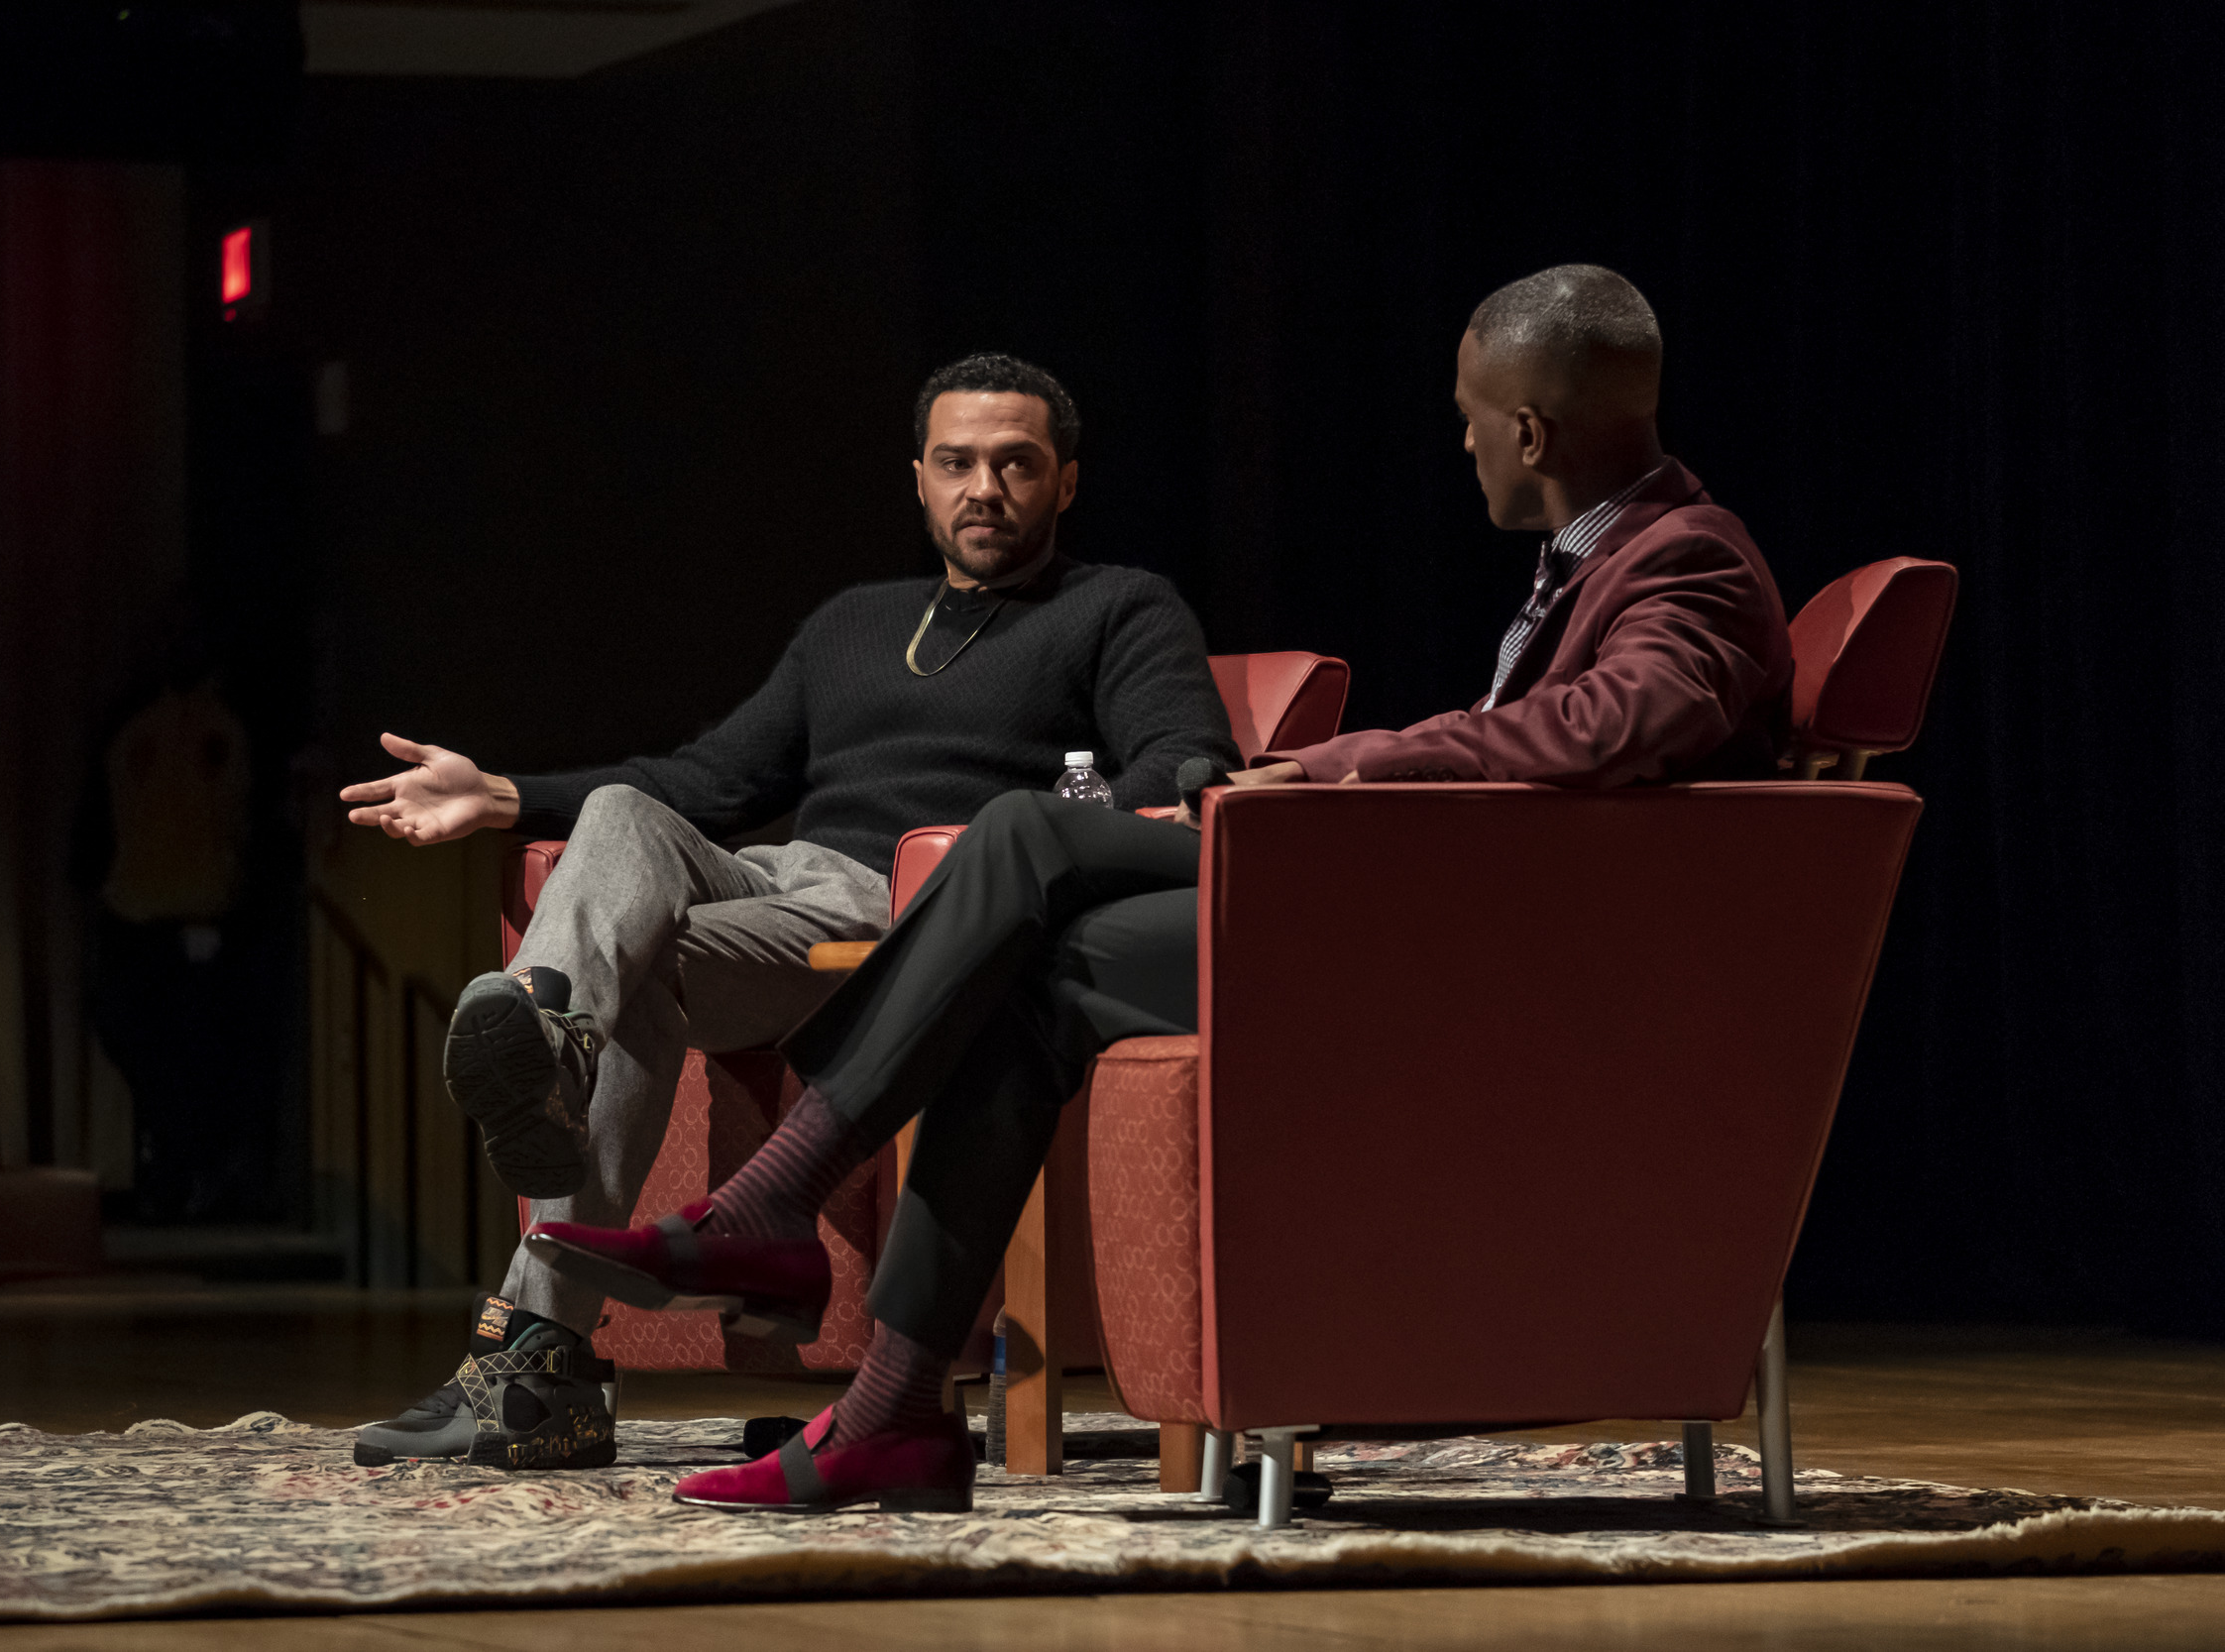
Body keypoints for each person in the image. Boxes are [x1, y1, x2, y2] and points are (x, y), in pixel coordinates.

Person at [525, 264, 1797, 1511]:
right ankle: (891, 1408)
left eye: (1470, 417)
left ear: (1528, 431)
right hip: (1415, 911)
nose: (1461, 442)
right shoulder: (1601, 557)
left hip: (1480, 958)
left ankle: (780, 1213)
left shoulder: (1688, 559)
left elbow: (1613, 722)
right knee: (1017, 949)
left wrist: (1348, 763)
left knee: (1023, 833)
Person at [339, 353, 1240, 1471]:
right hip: (778, 882)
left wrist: (1024, 828)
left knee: (641, 969)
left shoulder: (1118, 607)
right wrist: (504, 794)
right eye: (956, 462)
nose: (984, 488)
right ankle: (551, 1036)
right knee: (622, 816)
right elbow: (709, 779)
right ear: (919, 477)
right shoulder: (853, 622)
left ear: (1065, 480)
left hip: (910, 918)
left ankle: (536, 1351)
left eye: (1016, 464)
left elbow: (1181, 763)